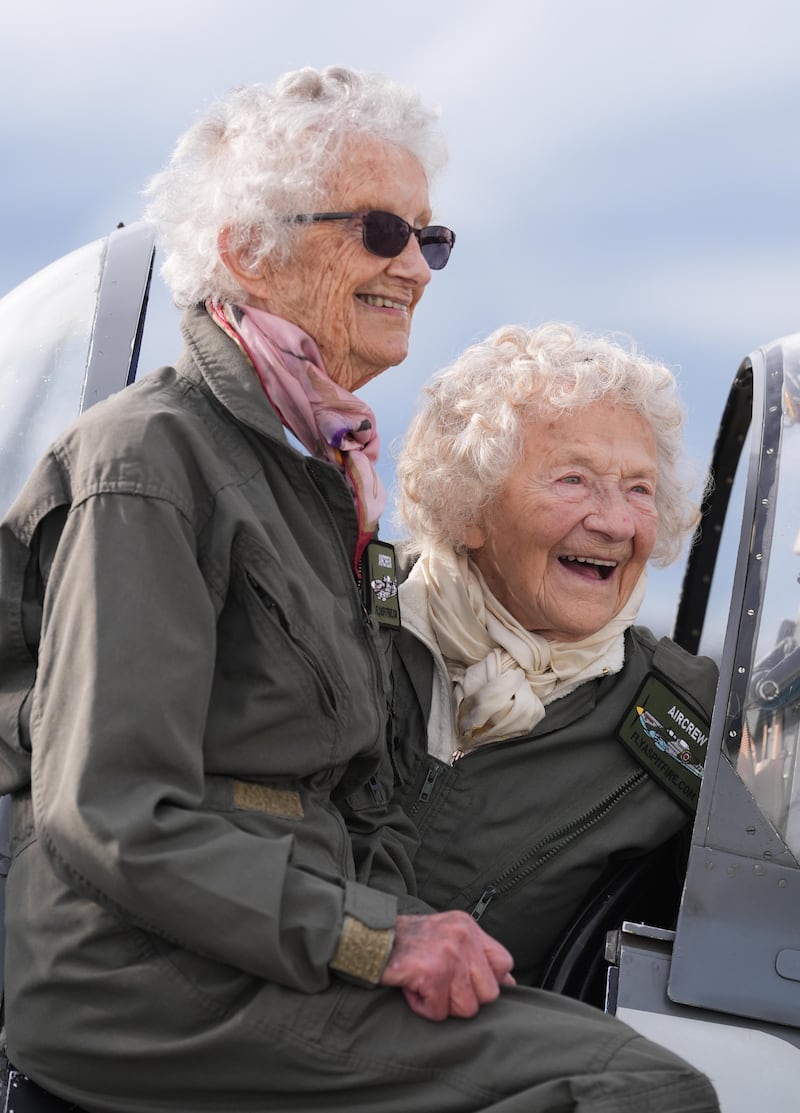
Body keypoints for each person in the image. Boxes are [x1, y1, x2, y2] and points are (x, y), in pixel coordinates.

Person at [0, 69, 719, 1113]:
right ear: (250, 249)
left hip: (256, 958)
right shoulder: (152, 461)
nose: (416, 267)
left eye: (431, 240)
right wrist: (378, 939)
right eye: (382, 231)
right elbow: (112, 811)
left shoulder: (313, 481)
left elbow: (332, 800)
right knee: (628, 1088)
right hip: (150, 984)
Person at [391, 322, 720, 986]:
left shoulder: (693, 719)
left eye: (639, 488)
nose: (616, 523)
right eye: (574, 479)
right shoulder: (349, 616)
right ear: (469, 506)